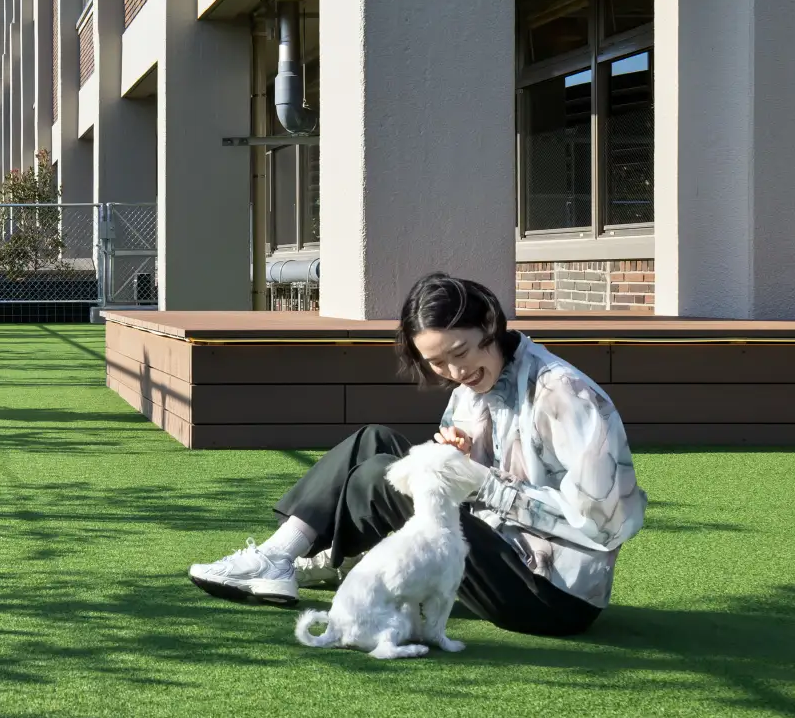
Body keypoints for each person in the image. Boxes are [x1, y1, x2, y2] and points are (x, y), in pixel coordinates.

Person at [187, 272, 646, 637]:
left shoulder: (564, 394)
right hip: (489, 550)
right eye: (437, 363)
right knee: (373, 441)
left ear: (490, 323)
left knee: (381, 476)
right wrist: (462, 461)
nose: (455, 371)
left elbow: (610, 524)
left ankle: (326, 561)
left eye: (460, 352)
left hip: (552, 594)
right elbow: (468, 484)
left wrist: (482, 482)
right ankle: (279, 555)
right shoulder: (469, 389)